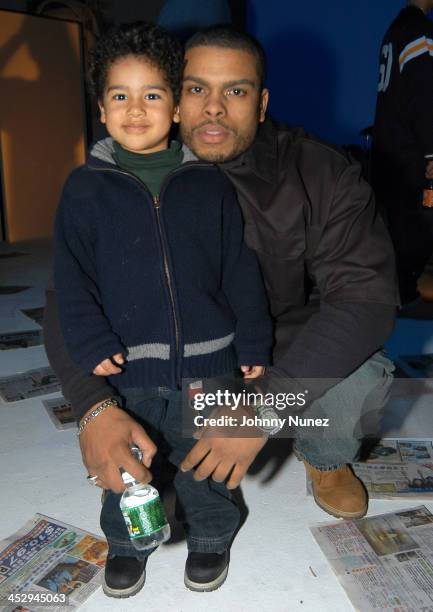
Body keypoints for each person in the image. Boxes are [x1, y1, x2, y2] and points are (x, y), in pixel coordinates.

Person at [44, 25, 398, 598]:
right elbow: (68, 294)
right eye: (194, 88)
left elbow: (367, 299)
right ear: (171, 96)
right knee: (147, 438)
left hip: (273, 351)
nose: (213, 107)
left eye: (235, 91)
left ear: (261, 103)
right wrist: (91, 408)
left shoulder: (324, 173)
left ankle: (322, 456)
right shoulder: (115, 181)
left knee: (358, 375)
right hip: (165, 360)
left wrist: (260, 406)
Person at [52, 22, 272, 597]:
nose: (135, 108)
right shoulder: (83, 189)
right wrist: (91, 340)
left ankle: (211, 537)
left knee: (208, 465)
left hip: (211, 362)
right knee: (127, 470)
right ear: (101, 109)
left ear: (176, 108)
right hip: (131, 370)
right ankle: (126, 545)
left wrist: (253, 344)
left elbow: (238, 271)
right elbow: (72, 281)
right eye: (120, 96)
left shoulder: (209, 185)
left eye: (152, 94)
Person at [372, 0, 433, 304]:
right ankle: (401, 298)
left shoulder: (394, 29)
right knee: (414, 230)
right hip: (409, 156)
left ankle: (394, 296)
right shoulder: (418, 31)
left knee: (395, 232)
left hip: (389, 152)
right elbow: (423, 95)